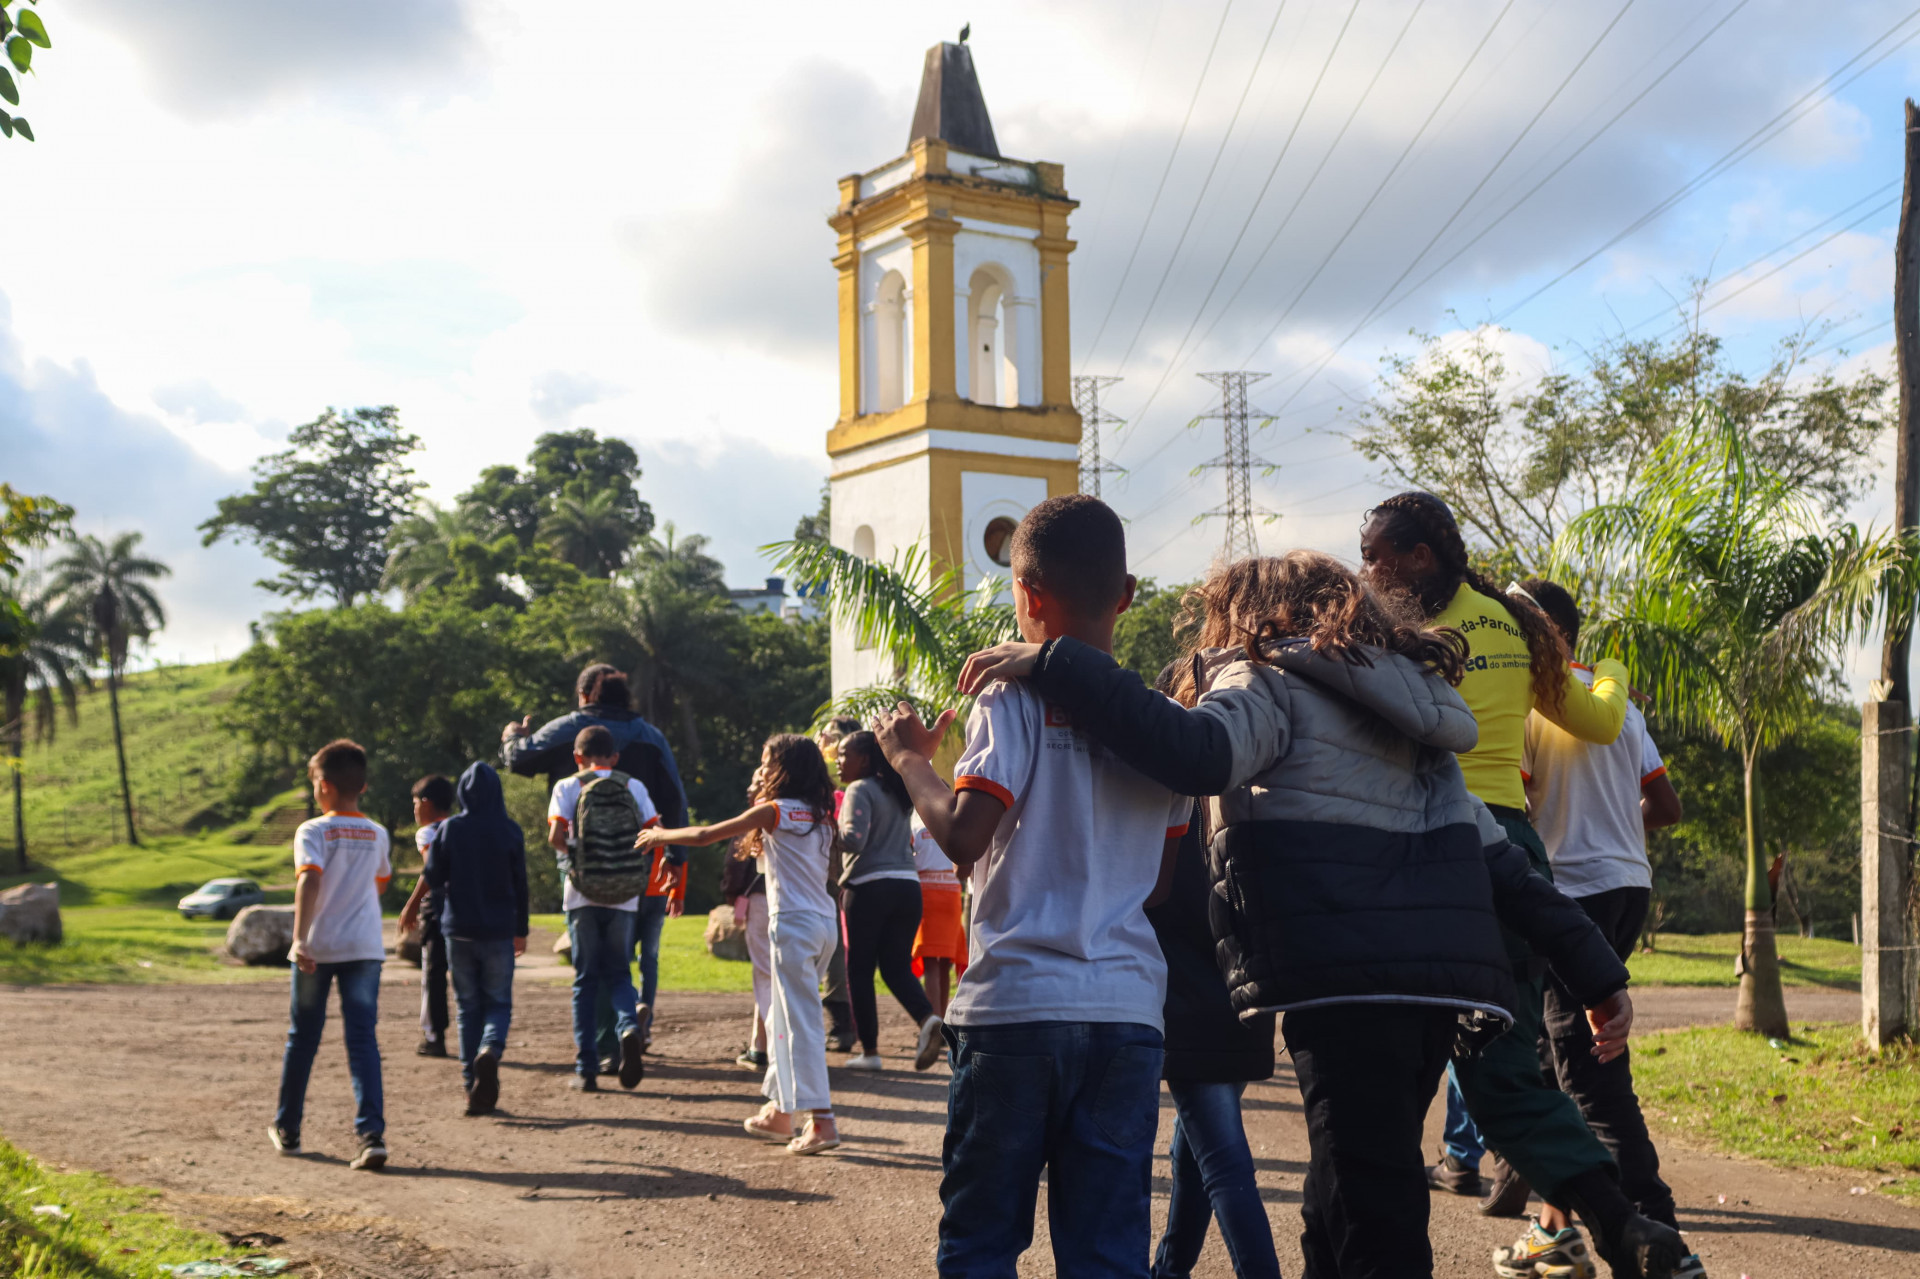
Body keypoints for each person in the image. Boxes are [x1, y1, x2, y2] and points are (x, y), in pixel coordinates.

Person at [956, 551, 1662, 1279]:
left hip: (1344, 983)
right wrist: (1598, 975)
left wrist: (1054, 661)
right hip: (1435, 990)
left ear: (1249, 614)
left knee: (1371, 1212)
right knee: (1336, 1202)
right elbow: (1502, 863)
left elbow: (1197, 753)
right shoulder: (1406, 708)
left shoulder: (1264, 680)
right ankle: (1627, 1229)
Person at [1358, 492, 1687, 1279]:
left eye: (1378, 555)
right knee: (1506, 1054)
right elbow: (1598, 720)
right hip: (1512, 848)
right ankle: (1614, 1223)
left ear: (1421, 557)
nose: (1368, 569)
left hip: (1423, 844)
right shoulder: (1513, 621)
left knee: (1383, 1067)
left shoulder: (1389, 631)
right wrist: (1611, 666)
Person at [874, 494, 1190, 1278]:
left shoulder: (1010, 698)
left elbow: (965, 835)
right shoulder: (1165, 722)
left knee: (982, 1242)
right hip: (1124, 1013)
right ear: (1126, 593)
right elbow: (1157, 885)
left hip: (1015, 1006)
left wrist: (910, 758)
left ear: (1025, 595)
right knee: (1107, 1253)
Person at [1512, 578, 1699, 1272]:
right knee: (1566, 1059)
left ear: (1542, 630)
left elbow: (1518, 798)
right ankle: (1556, 1225)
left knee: (1591, 1074)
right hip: (1628, 885)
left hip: (1573, 892)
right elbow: (1667, 805)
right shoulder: (1619, 705)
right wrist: (1619, 828)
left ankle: (1658, 1232)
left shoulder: (1532, 704)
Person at [639, 734, 843, 1155]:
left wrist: (661, 836)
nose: (763, 769)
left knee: (797, 1023)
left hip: (792, 925)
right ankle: (780, 1114)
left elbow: (705, 833)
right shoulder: (823, 814)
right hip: (824, 924)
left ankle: (822, 1122)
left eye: (768, 762)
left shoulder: (774, 810)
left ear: (785, 768)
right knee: (784, 1021)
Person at [1147, 794, 1280, 1279]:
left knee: (1221, 1162)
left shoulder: (1170, 783)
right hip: (1242, 992)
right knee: (1196, 1150)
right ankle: (1169, 1270)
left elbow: (1151, 892)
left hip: (1188, 995)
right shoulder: (1249, 783)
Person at [269, 739, 392, 1172]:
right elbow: (379, 884)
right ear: (362, 785)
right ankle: (371, 1136)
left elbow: (309, 881)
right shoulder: (377, 832)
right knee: (362, 1040)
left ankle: (289, 1129)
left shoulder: (314, 831)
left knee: (302, 1037)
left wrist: (299, 938)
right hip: (363, 947)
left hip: (316, 948)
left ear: (322, 786)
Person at [399, 762, 528, 1116]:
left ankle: (472, 1083)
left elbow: (434, 876)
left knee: (468, 1007)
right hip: (499, 929)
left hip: (458, 930)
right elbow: (521, 885)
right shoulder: (510, 831)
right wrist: (522, 929)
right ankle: (490, 1049)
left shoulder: (451, 830)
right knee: (498, 1003)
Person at [548, 725, 657, 1093]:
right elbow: (652, 834)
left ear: (578, 757)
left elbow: (555, 838)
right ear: (614, 757)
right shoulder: (633, 786)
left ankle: (587, 1068)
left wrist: (578, 858)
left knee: (585, 981)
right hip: (624, 896)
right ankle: (628, 1027)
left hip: (581, 895)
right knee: (620, 974)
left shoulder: (568, 786)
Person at [834, 728, 944, 1071]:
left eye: (843, 755)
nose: (838, 761)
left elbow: (853, 840)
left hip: (869, 888)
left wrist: (824, 826)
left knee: (860, 971)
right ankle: (927, 1019)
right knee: (895, 966)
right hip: (907, 888)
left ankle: (870, 1052)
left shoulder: (858, 789)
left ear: (863, 759)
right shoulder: (895, 792)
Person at [502, 662, 688, 828]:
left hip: (577, 858)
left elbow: (518, 758)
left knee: (567, 867)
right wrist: (676, 856)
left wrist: (513, 736)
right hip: (640, 857)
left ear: (584, 695)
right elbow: (674, 798)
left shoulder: (566, 730)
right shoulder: (651, 737)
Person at [816, 715, 863, 1053]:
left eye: (831, 739)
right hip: (826, 876)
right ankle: (848, 1024)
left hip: (841, 879)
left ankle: (844, 1024)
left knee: (838, 953)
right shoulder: (829, 785)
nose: (826, 743)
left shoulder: (853, 791)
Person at [408, 774, 455, 1059]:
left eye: (414, 803)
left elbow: (431, 870)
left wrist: (411, 905)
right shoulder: (462, 827)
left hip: (437, 908)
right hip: (467, 907)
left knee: (433, 973)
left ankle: (434, 1035)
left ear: (426, 804)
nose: (413, 809)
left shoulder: (428, 832)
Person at [909, 812, 965, 1019]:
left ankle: (934, 1021)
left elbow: (909, 858)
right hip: (952, 894)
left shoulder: (916, 828)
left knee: (931, 962)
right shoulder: (953, 827)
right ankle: (941, 1020)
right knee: (944, 963)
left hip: (927, 895)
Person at [722, 838, 771, 1070]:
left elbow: (736, 862)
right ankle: (759, 1045)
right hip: (804, 901)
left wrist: (732, 895)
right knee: (778, 976)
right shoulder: (811, 813)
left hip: (761, 900)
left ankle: (776, 1046)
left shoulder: (756, 818)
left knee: (766, 977)